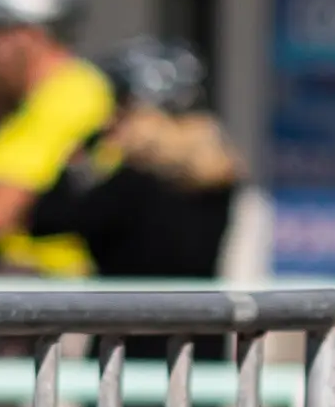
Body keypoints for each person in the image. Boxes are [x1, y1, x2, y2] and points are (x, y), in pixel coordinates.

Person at [21, 40, 241, 281]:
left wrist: (85, 151)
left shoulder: (129, 186)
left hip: (132, 314)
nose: (111, 119)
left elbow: (42, 221)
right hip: (195, 314)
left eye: (120, 108)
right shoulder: (219, 182)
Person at [0, 0, 114, 277]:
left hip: (45, 291)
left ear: (28, 36)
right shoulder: (31, 103)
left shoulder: (69, 96)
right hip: (21, 283)